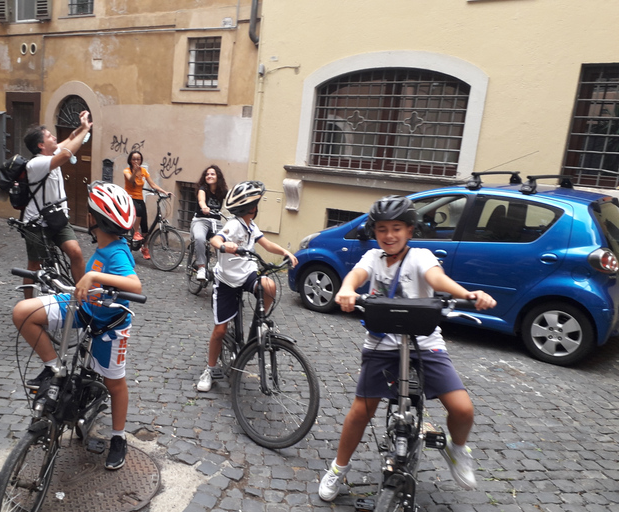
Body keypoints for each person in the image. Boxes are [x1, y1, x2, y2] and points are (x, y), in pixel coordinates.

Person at [318, 195, 497, 501]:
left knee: (463, 409)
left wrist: (467, 294)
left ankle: (456, 449)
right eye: (382, 229)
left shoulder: (421, 257)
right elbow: (356, 275)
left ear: (410, 231)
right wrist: (347, 289)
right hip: (382, 345)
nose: (389, 235)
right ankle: (338, 468)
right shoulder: (372, 259)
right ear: (375, 233)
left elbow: (437, 279)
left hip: (425, 344)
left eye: (397, 228)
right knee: (361, 412)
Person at [13, 182, 141, 470]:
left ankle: (119, 437)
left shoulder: (118, 252)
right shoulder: (107, 245)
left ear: (94, 219)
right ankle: (53, 367)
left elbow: (134, 284)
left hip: (110, 324)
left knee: (115, 384)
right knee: (23, 312)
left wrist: (94, 279)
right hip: (84, 308)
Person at [197, 180, 299, 392]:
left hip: (246, 274)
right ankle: (210, 368)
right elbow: (215, 239)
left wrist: (285, 252)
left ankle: (256, 329)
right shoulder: (234, 225)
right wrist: (225, 246)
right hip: (226, 280)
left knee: (269, 286)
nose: (257, 206)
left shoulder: (251, 226)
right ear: (250, 207)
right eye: (256, 203)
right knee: (220, 330)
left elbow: (266, 243)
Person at [21, 111, 91, 299]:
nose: (54, 137)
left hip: (57, 218)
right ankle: (28, 304)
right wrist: (85, 131)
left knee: (76, 253)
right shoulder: (36, 163)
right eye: (50, 136)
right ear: (41, 145)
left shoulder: (51, 153)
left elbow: (70, 139)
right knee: (34, 265)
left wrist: (83, 126)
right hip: (36, 222)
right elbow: (67, 153)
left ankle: (83, 299)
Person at [123, 150, 171, 260]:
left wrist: (164, 192)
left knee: (145, 227)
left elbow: (152, 184)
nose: (136, 161)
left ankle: (144, 248)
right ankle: (135, 233)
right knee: (138, 210)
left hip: (139, 198)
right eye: (134, 159)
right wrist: (134, 171)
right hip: (129, 197)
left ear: (141, 160)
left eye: (138, 159)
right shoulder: (127, 170)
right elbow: (130, 181)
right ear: (130, 160)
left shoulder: (143, 171)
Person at [190, 165, 229, 281]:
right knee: (200, 238)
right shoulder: (203, 189)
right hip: (201, 220)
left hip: (216, 221)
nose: (209, 176)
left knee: (223, 243)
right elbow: (201, 200)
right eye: (207, 174)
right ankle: (201, 267)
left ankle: (222, 269)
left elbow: (232, 201)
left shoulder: (222, 191)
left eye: (212, 174)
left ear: (218, 176)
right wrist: (204, 207)